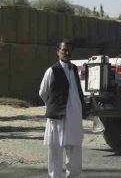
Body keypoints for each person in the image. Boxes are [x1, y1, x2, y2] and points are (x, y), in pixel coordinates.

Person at [39, 39, 88, 178]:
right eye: (64, 50)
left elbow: (77, 92)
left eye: (69, 50)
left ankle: (73, 175)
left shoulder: (74, 69)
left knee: (75, 148)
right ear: (58, 52)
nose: (67, 53)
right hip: (58, 117)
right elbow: (43, 92)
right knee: (56, 149)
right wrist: (52, 106)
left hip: (74, 117)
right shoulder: (52, 71)